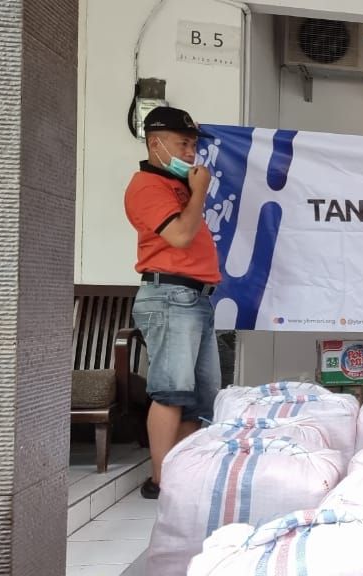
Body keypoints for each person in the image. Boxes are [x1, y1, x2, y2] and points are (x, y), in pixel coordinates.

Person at [123, 106, 221, 500]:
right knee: (172, 392)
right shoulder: (147, 186)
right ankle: (161, 482)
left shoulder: (176, 184)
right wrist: (200, 192)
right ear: (155, 143)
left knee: (201, 398)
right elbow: (179, 236)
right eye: (183, 144)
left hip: (194, 298)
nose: (190, 153)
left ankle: (183, 476)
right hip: (170, 296)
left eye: (193, 145)